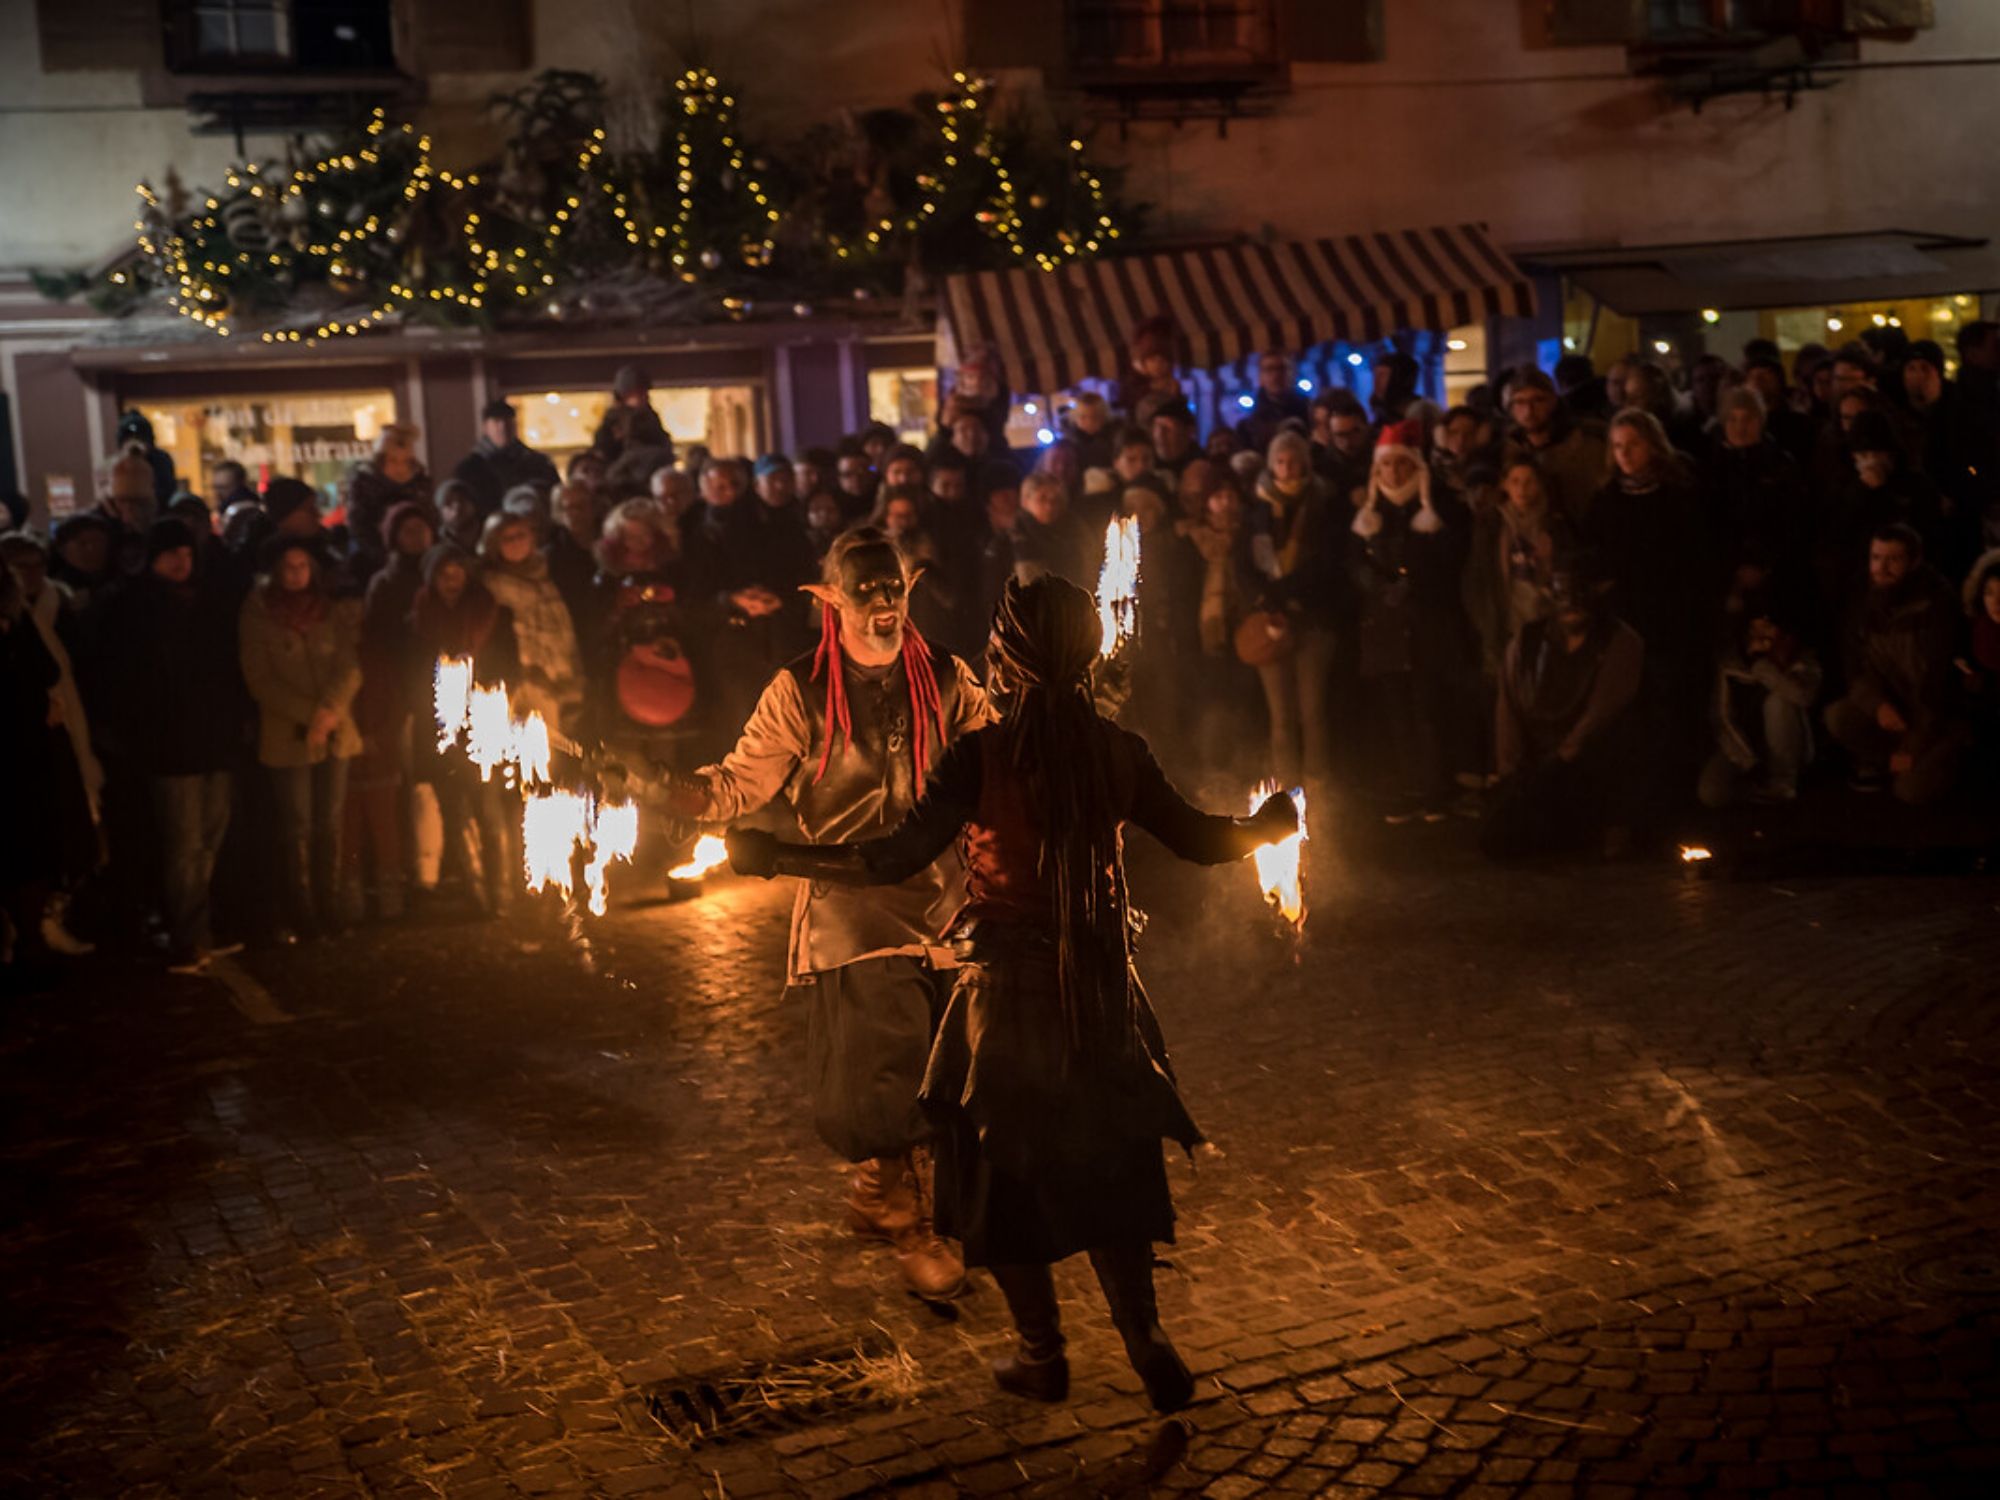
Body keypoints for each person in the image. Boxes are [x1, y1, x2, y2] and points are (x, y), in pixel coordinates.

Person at [725, 574, 1300, 1412]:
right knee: (1112, 1161)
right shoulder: (1117, 750)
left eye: (998, 640)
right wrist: (1269, 827)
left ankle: (1043, 1354)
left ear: (1009, 657)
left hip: (1008, 996)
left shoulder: (981, 756)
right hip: (1104, 991)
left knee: (1000, 1173)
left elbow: (889, 858)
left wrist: (775, 856)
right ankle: (1144, 1336)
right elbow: (1205, 842)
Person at [652, 530, 991, 1303]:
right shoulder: (798, 690)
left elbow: (999, 749)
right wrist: (687, 796)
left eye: (894, 590)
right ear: (829, 600)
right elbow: (741, 782)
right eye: (865, 591)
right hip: (856, 908)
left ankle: (885, 1195)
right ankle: (909, 1222)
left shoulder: (945, 675)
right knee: (888, 1067)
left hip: (947, 898)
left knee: (955, 1066)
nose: (882, 605)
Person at [95, 519, 246, 969]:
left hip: (215, 740)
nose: (180, 563)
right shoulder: (133, 608)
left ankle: (198, 927)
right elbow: (124, 679)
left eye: (186, 554)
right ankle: (188, 934)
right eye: (170, 555)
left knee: (209, 839)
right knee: (183, 844)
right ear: (153, 559)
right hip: (170, 745)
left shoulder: (210, 602)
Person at [1348, 420, 1473, 819]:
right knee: (1396, 710)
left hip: (1425, 625)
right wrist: (1373, 583)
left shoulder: (1439, 509)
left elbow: (1451, 560)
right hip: (1384, 627)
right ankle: (1408, 786)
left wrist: (1414, 583)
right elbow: (1350, 561)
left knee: (1428, 707)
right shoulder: (1369, 513)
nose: (1394, 474)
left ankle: (1436, 787)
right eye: (1387, 466)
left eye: (1402, 465)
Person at [239, 536, 362, 940]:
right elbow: (260, 679)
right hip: (289, 736)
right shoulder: (258, 612)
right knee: (298, 825)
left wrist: (329, 711)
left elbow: (350, 664)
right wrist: (312, 716)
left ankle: (331, 905)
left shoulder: (330, 610)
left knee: (330, 822)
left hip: (334, 731)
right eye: (288, 567)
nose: (296, 574)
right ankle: (302, 908)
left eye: (303, 566)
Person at [1482, 557, 1645, 861]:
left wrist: (1559, 759)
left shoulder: (1619, 642)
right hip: (1537, 757)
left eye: (1580, 595)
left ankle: (1612, 825)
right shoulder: (1526, 641)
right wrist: (1510, 772)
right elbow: (1509, 708)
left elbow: (1600, 714)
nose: (1571, 605)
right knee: (1501, 837)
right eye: (1563, 596)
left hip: (1587, 758)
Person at [408, 544, 523, 914]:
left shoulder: (492, 613)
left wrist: (488, 702)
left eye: (457, 572)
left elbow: (511, 669)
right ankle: (476, 894)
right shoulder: (419, 620)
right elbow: (412, 678)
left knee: (488, 810)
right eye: (443, 574)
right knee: (454, 813)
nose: (451, 581)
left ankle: (500, 894)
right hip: (440, 729)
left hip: (483, 725)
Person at [1823, 524, 1967, 805]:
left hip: (1932, 713)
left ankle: (1943, 757)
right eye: (1876, 558)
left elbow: (1939, 682)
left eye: (1893, 559)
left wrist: (1914, 740)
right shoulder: (1860, 597)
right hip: (1894, 707)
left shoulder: (1936, 601)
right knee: (1838, 716)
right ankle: (1886, 760)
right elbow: (1855, 666)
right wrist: (1878, 705)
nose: (1882, 567)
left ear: (1913, 562)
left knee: (1910, 791)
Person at [1249, 429, 1345, 790]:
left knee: (1312, 710)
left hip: (1312, 619)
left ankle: (1318, 783)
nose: (1287, 468)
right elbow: (1246, 562)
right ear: (1272, 464)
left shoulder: (1322, 503)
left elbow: (1326, 562)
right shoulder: (1258, 508)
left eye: (1294, 461)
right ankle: (1286, 787)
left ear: (1305, 463)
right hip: (1271, 620)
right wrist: (1266, 601)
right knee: (1281, 714)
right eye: (1281, 461)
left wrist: (1285, 593)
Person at [0, 561, 64, 987]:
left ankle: (29, 942)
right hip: (15, 751)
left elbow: (47, 670)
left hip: (25, 755)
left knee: (27, 850)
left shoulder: (18, 626)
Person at [1697, 601, 1821, 808]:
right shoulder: (1730, 664)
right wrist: (1749, 762)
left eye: (1768, 627)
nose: (1761, 635)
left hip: (1787, 749)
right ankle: (1756, 791)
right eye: (1755, 628)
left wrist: (1766, 668)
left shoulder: (1800, 659)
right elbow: (1722, 717)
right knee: (1711, 791)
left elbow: (1804, 695)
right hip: (1744, 747)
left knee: (1777, 702)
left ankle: (1782, 784)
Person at [479, 511, 585, 738]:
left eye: (521, 535)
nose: (516, 542)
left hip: (559, 678)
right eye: (507, 538)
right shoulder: (490, 588)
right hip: (520, 681)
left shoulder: (550, 574)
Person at [1501, 368, 1610, 525]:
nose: (1529, 410)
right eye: (1520, 402)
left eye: (1538, 400)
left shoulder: (1587, 443)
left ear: (1553, 401)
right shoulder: (1507, 450)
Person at [343, 424, 430, 580]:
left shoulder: (420, 486)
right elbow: (360, 528)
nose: (399, 467)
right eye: (393, 460)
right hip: (374, 564)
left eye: (405, 461)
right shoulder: (364, 486)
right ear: (380, 460)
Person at [454, 399, 559, 516]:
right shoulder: (470, 469)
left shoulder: (537, 463)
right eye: (496, 421)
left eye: (508, 421)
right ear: (485, 427)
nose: (503, 427)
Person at [1012, 472, 1096, 588]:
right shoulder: (1016, 538)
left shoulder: (1077, 533)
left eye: (1056, 500)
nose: (1049, 506)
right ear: (1026, 501)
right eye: (1042, 499)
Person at [593, 365, 674, 464]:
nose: (645, 396)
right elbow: (603, 452)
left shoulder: (650, 417)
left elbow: (661, 444)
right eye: (639, 392)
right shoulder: (612, 421)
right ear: (624, 395)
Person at [115, 409, 178, 507]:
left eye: (139, 437)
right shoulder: (116, 465)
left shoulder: (161, 461)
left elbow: (167, 491)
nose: (134, 442)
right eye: (129, 438)